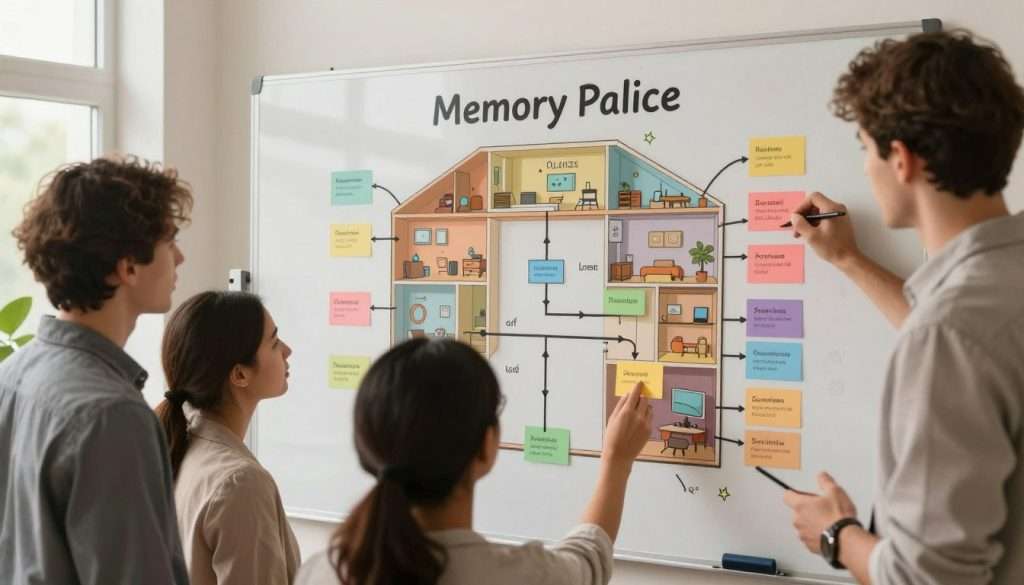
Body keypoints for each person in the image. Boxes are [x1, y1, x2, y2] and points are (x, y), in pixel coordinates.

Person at [781, 29, 1024, 585]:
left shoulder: (950, 332)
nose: (865, 167)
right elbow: (971, 350)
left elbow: (929, 578)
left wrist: (837, 534)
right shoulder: (990, 295)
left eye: (865, 149)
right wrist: (849, 261)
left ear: (901, 159)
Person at [294, 338, 653, 585]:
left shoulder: (320, 572)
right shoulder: (521, 577)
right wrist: (616, 460)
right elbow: (589, 559)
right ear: (486, 446)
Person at [0, 157, 192, 584]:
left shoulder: (10, 377)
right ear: (128, 267)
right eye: (169, 241)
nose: (180, 257)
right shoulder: (111, 416)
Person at [156, 291, 300, 585]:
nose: (287, 350)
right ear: (239, 374)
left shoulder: (178, 446)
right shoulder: (241, 482)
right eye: (274, 342)